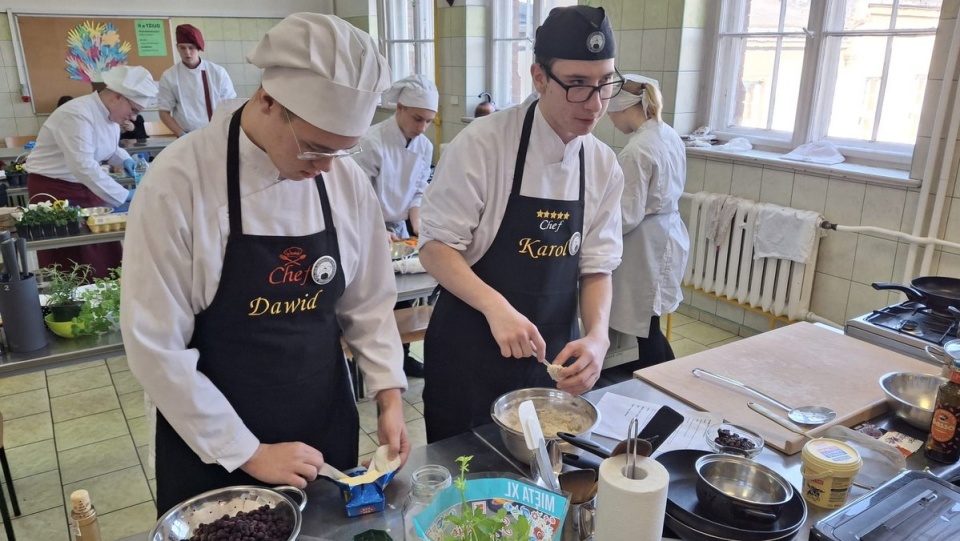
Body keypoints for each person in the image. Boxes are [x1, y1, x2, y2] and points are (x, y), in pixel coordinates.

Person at [120, 13, 409, 515]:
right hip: (213, 441)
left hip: (322, 423)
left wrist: (388, 393)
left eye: (341, 152)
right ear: (268, 100)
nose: (324, 167)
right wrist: (248, 452)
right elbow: (155, 346)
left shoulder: (344, 182)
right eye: (315, 147)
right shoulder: (180, 181)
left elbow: (369, 304)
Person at [417, 5, 625, 443]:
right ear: (539, 77)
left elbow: (596, 267)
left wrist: (598, 337)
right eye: (577, 85)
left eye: (605, 83)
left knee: (540, 481)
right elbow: (435, 247)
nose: (595, 104)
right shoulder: (483, 145)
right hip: (470, 351)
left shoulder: (603, 165)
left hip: (552, 352)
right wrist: (496, 307)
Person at [25, 65, 155, 278]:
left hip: (85, 186)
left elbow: (109, 148)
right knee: (71, 258)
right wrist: (124, 195)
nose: (133, 118)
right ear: (117, 97)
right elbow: (82, 164)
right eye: (134, 110)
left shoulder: (109, 115)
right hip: (54, 191)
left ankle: (106, 295)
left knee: (102, 250)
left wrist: (126, 160)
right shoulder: (76, 114)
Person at [352, 74, 437, 378]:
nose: (422, 127)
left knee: (407, 297)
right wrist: (377, 230)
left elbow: (418, 190)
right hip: (367, 228)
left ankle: (402, 358)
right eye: (417, 118)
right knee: (376, 299)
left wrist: (418, 228)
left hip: (399, 230)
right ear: (399, 108)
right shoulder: (370, 141)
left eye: (429, 121)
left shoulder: (425, 146)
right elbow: (358, 196)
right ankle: (372, 362)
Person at [606, 75, 689, 371]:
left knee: (645, 326)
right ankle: (666, 377)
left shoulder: (636, 151)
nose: (611, 121)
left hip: (646, 242)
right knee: (650, 319)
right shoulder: (668, 134)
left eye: (610, 113)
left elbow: (627, 215)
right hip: (668, 230)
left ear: (625, 108)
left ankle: (664, 381)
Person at [158, 24, 236, 137]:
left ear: (198, 48)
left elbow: (231, 105)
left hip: (218, 133)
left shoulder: (218, 72)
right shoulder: (169, 76)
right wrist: (182, 134)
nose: (187, 53)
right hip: (187, 135)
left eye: (191, 47)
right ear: (177, 48)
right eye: (182, 48)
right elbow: (164, 112)